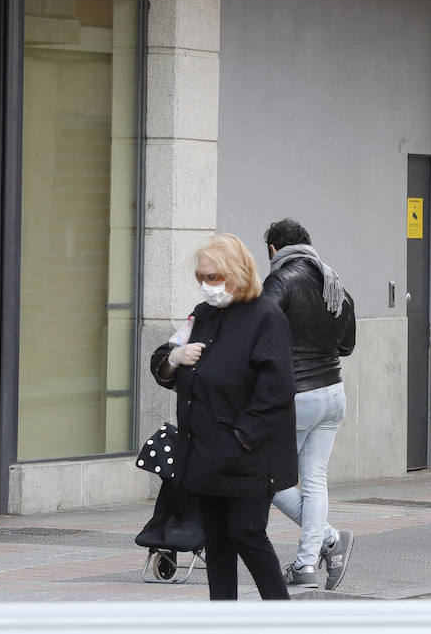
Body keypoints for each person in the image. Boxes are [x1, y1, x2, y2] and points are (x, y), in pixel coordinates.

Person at [149, 234, 297, 601]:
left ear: (238, 272)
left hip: (248, 456)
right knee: (216, 543)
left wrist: (240, 438)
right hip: (203, 455)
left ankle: (283, 616)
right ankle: (224, 619)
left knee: (246, 533)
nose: (206, 285)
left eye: (213, 277)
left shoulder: (266, 317)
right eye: (201, 277)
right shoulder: (202, 315)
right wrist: (174, 359)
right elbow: (163, 357)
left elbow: (276, 392)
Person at [261, 219, 358, 591]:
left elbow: (259, 329)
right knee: (315, 479)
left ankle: (329, 541)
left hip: (296, 396)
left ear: (274, 249)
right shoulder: (335, 285)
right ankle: (307, 563)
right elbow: (346, 346)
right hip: (333, 393)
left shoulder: (280, 280)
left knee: (266, 477)